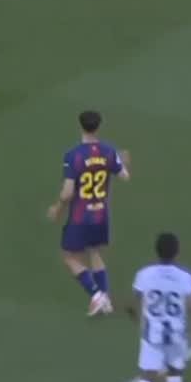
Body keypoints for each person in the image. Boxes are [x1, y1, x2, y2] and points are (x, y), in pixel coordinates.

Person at [47, 110, 130, 316]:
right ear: (98, 126)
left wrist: (57, 208)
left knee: (69, 257)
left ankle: (96, 294)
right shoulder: (109, 151)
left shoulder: (73, 156)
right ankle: (105, 299)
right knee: (94, 252)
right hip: (101, 214)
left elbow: (67, 193)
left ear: (81, 126)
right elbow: (124, 176)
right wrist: (121, 161)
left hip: (80, 216)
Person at [128, 232, 191, 382]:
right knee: (175, 373)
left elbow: (134, 303)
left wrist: (136, 318)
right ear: (177, 251)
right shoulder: (186, 277)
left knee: (147, 376)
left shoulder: (144, 274)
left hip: (152, 335)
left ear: (156, 251)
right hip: (177, 334)